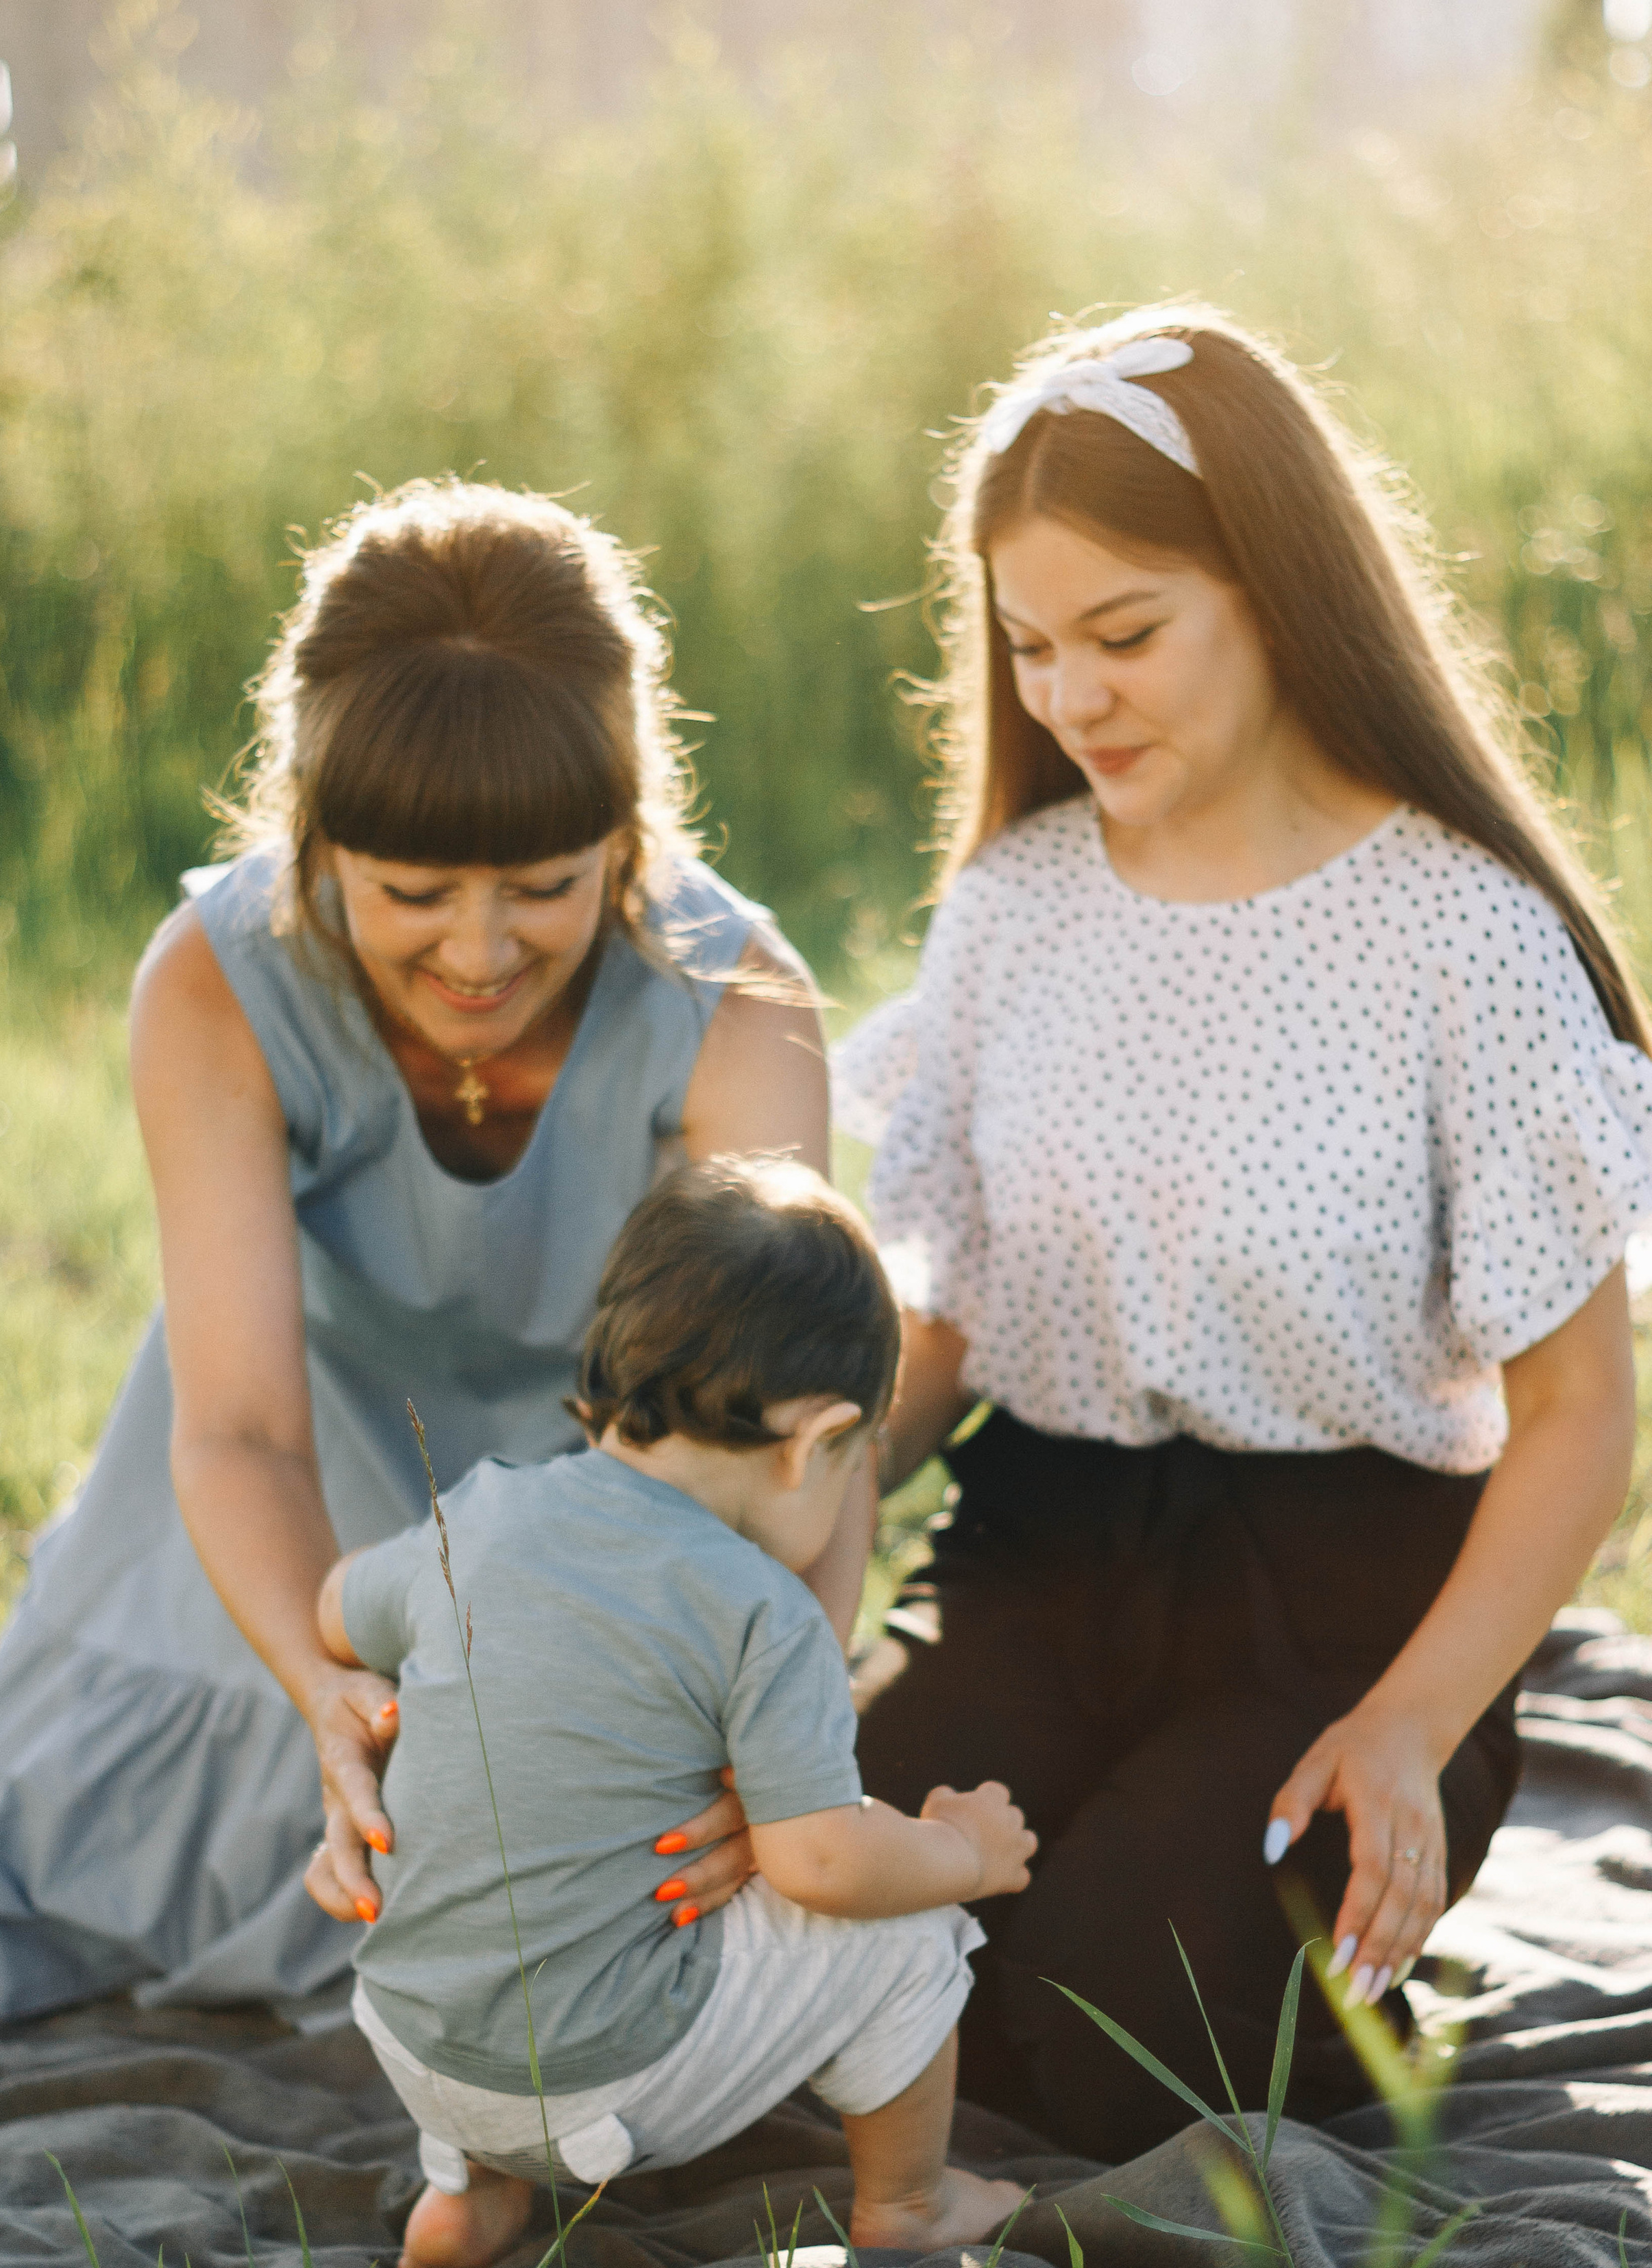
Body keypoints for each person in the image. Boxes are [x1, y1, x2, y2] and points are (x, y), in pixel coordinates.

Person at [678, 308, 1652, 2164]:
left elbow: (1582, 1416)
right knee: (782, 1922)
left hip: (1345, 1623)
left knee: (1117, 2036)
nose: (1069, 696)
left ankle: (1236, 1904)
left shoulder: (1466, 940)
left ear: (1280, 592)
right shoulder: (1018, 911)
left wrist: (1410, 1729)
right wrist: (744, 1527)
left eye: (1125, 635)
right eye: (1030, 646)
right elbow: (950, 1322)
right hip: (1041, 1560)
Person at [0, 480, 862, 2023]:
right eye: (412, 894)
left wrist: (779, 1738)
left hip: (620, 1517)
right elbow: (234, 1426)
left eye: (545, 888)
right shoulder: (217, 982)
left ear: (626, 829)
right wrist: (329, 1687)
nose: (478, 956)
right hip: (300, 1502)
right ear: (313, 837)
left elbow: (799, 1437)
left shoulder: (733, 997)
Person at [315, 1157, 1035, 2268]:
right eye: (851, 1465)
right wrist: (963, 1852)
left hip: (407, 2038)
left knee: (514, 1893)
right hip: (596, 2088)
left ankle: (466, 2199)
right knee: (911, 1932)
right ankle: (912, 2202)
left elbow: (334, 1608)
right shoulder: (765, 1614)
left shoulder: (486, 1512)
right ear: (815, 1442)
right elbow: (823, 1864)